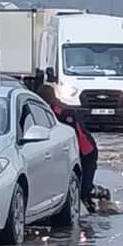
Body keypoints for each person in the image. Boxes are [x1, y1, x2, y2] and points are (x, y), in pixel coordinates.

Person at [38, 83, 97, 213]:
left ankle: (99, 198)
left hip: (86, 152)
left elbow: (73, 136)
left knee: (83, 192)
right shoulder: (42, 111)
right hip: (68, 153)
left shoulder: (64, 113)